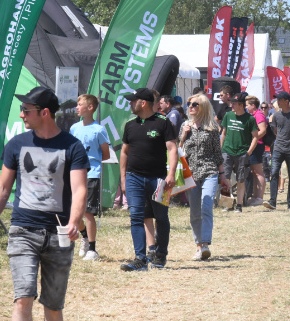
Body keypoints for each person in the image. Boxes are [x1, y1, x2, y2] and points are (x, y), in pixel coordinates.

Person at [0, 87, 89, 321]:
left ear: (44, 113)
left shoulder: (72, 147)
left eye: (26, 110)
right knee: (23, 297)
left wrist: (74, 221)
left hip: (58, 233)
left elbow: (79, 190)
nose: (21, 114)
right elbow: (2, 189)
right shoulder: (16, 144)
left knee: (52, 305)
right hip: (22, 230)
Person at [117, 87, 179, 271]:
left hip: (159, 179)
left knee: (161, 217)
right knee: (136, 217)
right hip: (134, 178)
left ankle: (160, 256)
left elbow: (172, 149)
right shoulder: (130, 125)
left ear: (143, 103)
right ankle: (140, 259)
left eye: (132, 101)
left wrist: (171, 174)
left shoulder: (163, 122)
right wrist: (123, 179)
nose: (129, 103)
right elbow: (124, 153)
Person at [181, 94, 225, 259]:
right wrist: (184, 136)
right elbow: (177, 150)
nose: (191, 107)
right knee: (194, 211)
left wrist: (223, 175)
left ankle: (205, 244)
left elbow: (217, 154)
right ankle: (198, 246)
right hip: (190, 173)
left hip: (209, 171)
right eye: (189, 104)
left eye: (195, 104)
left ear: (203, 107)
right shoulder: (185, 126)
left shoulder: (212, 128)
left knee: (206, 205)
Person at [69, 94, 111, 261]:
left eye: (80, 104)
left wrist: (90, 160)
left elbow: (105, 154)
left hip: (92, 174)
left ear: (91, 108)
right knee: (74, 211)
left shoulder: (99, 129)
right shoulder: (74, 128)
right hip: (74, 174)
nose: (77, 107)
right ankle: (84, 236)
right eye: (77, 104)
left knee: (88, 212)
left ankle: (92, 249)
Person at [264, 91, 290, 210]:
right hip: (278, 149)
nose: (277, 102)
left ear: (287, 101)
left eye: (280, 100)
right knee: (274, 173)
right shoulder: (276, 116)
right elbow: (276, 132)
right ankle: (272, 201)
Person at [219, 91, 258, 212]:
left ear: (241, 105)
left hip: (242, 153)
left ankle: (239, 205)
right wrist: (221, 149)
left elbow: (255, 137)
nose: (232, 105)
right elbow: (223, 133)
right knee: (226, 178)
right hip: (227, 151)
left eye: (234, 104)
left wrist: (249, 152)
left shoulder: (250, 119)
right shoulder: (228, 115)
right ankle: (228, 204)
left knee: (241, 180)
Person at [245, 95, 269, 207]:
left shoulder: (259, 115)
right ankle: (255, 196)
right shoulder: (254, 115)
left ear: (253, 105)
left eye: (247, 105)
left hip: (258, 146)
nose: (245, 107)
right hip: (255, 145)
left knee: (258, 171)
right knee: (254, 172)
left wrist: (254, 140)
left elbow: (263, 131)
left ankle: (259, 197)